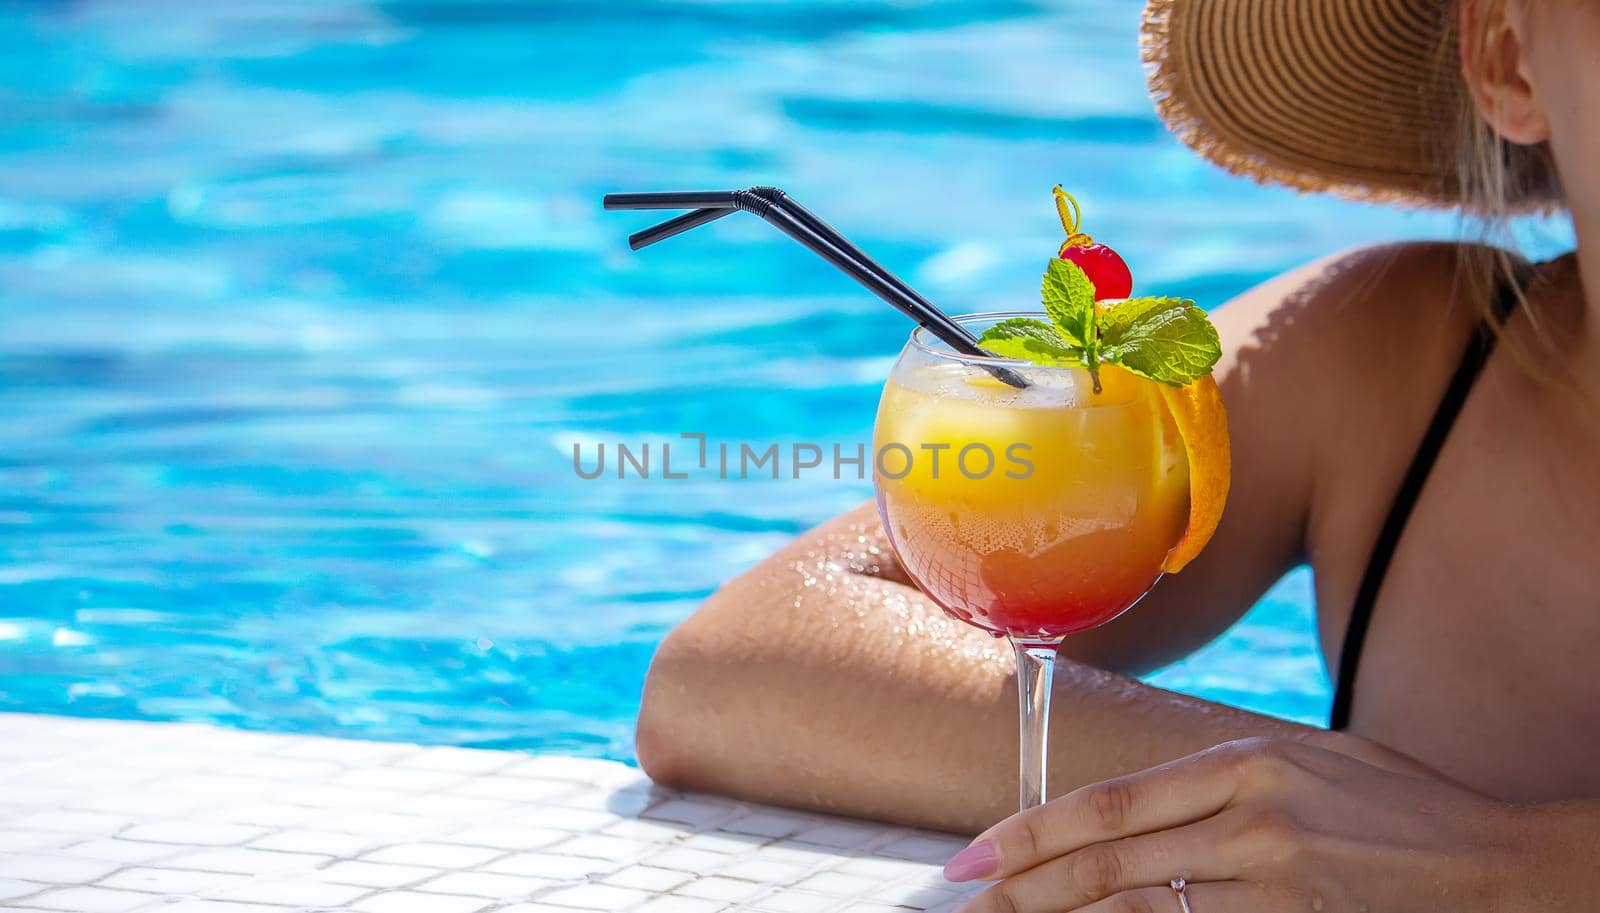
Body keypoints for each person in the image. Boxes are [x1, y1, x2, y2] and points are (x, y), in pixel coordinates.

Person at [636, 0, 1600, 908]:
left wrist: (1501, 862)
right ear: (1509, 58)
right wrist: (1284, 796)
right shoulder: (1399, 365)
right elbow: (725, 676)